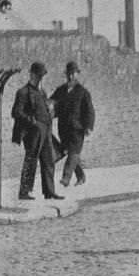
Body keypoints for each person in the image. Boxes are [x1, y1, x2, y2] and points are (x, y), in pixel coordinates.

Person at [11, 61, 61, 201]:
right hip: (32, 133)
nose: (41, 78)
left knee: (48, 161)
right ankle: (24, 192)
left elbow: (45, 108)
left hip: (45, 131)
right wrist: (32, 121)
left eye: (42, 76)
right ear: (32, 75)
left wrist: (51, 111)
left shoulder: (42, 92)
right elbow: (16, 112)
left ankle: (49, 192)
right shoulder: (23, 92)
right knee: (31, 160)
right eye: (39, 75)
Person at [50, 60, 95, 189]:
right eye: (69, 74)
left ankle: (66, 178)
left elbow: (90, 111)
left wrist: (89, 127)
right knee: (71, 152)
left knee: (74, 152)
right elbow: (52, 103)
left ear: (77, 75)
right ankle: (81, 176)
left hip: (77, 129)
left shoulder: (83, 92)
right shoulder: (60, 90)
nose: (71, 76)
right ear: (66, 75)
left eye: (73, 74)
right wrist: (49, 109)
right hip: (63, 129)